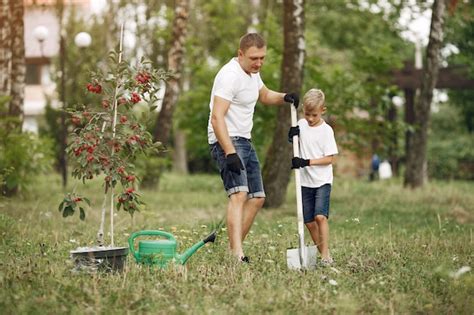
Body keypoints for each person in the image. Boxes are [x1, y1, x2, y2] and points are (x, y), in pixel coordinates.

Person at [208, 33, 299, 263]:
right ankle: (238, 254)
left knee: (257, 197)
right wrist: (229, 152)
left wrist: (285, 97)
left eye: (262, 58)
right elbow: (217, 118)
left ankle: (232, 249)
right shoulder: (229, 76)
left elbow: (264, 95)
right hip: (227, 140)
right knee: (239, 194)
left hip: (245, 140)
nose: (258, 63)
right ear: (240, 55)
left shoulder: (252, 75)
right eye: (254, 58)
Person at [288, 88, 338, 265]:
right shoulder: (300, 124)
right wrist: (291, 136)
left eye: (314, 115)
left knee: (320, 217)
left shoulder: (326, 131)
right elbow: (296, 143)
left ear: (323, 110)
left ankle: (324, 256)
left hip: (322, 181)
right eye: (307, 114)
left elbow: (329, 159)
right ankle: (325, 254)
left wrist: (306, 162)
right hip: (305, 181)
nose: (310, 118)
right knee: (309, 222)